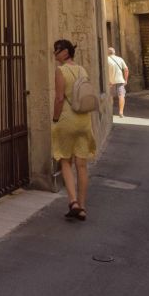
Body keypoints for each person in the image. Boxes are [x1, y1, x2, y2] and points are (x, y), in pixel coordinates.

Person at [51, 38, 97, 221]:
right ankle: (83, 207)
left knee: (65, 161)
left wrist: (55, 119)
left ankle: (73, 202)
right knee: (82, 165)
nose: (55, 54)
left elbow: (59, 98)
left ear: (65, 52)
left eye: (57, 51)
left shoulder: (61, 71)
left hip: (68, 119)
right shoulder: (82, 70)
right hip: (84, 120)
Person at [107, 46, 129, 117]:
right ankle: (121, 112)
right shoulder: (120, 59)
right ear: (114, 52)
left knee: (110, 96)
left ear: (107, 53)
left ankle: (110, 111)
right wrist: (125, 80)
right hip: (120, 80)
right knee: (121, 96)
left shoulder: (106, 59)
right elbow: (126, 70)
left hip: (110, 81)